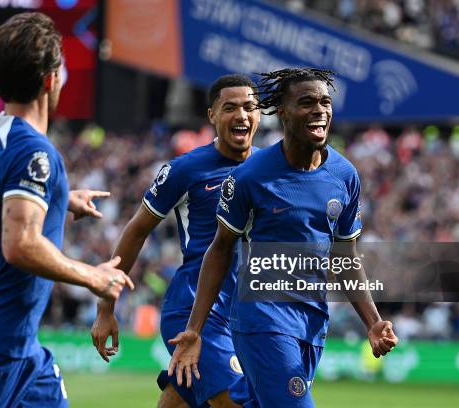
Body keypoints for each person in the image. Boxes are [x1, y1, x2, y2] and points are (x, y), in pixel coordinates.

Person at [0, 12, 133, 407]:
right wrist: (93, 276)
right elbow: (20, 244)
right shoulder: (36, 152)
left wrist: (60, 198)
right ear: (51, 79)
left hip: (19, 348)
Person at [167, 68, 399, 407]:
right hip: (262, 319)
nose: (319, 110)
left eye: (325, 102)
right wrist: (195, 329)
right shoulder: (249, 177)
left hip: (312, 321)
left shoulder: (344, 175)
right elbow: (219, 252)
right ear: (282, 111)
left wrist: (373, 322)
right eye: (306, 102)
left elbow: (345, 256)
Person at [91, 74, 261, 408]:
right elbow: (137, 230)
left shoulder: (270, 167)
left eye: (249, 107)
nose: (241, 115)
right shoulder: (186, 169)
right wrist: (106, 306)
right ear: (212, 114)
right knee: (240, 404)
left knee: (177, 402)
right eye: (230, 108)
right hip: (195, 311)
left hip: (243, 315)